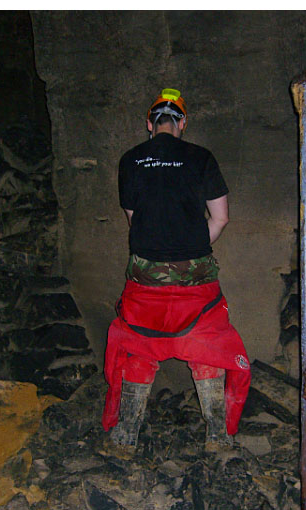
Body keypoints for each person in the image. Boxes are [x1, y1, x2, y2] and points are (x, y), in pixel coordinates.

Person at [101, 88, 251, 453]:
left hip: (145, 282)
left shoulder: (130, 160)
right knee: (207, 344)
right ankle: (218, 438)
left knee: (139, 345)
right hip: (195, 282)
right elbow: (221, 218)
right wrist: (193, 247)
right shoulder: (201, 157)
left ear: (149, 124)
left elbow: (135, 222)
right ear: (182, 123)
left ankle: (125, 437)